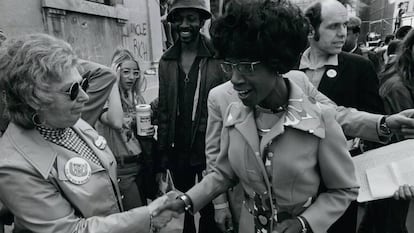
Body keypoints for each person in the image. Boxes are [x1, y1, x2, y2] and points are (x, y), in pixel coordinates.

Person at [155, 1, 359, 233]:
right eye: (230, 66)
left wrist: (304, 223)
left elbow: (344, 189)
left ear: (276, 63)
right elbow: (222, 173)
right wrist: (185, 201)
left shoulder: (320, 122)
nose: (234, 79)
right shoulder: (234, 116)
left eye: (247, 67)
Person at [0, 33, 175, 233]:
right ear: (34, 98)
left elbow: (104, 74)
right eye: (73, 90)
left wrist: (55, 57)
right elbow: (71, 230)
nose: (84, 96)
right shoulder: (13, 165)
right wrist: (146, 217)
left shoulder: (69, 122)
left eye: (83, 84)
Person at [157, 0, 227, 232]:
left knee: (210, 205)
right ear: (174, 22)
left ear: (201, 21)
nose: (185, 24)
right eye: (180, 19)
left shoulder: (217, 56)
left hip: (209, 145)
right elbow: (165, 110)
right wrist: (162, 156)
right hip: (179, 149)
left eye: (191, 18)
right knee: (181, 205)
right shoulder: (166, 61)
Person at [358, 29, 414, 233]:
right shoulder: (398, 87)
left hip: (391, 170)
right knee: (389, 223)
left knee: (378, 220)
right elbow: (404, 141)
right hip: (393, 170)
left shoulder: (404, 77)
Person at [96, 48, 157, 210]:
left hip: (141, 163)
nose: (131, 77)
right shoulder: (104, 98)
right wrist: (112, 83)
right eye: (126, 72)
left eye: (135, 72)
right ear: (116, 72)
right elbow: (116, 122)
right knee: (135, 216)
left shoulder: (137, 97)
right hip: (121, 168)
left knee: (145, 212)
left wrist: (147, 133)